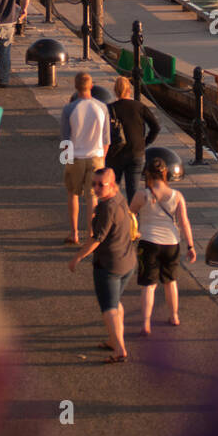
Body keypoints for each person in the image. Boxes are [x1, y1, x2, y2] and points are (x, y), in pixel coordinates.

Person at [69, 167, 135, 364]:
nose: (96, 188)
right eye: (94, 184)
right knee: (116, 303)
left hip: (109, 265)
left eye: (101, 185)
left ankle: (120, 349)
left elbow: (97, 238)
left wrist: (78, 257)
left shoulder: (107, 208)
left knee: (109, 309)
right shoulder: (118, 198)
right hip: (127, 262)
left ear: (112, 184)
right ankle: (114, 339)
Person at [129, 156, 196, 333]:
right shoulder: (177, 196)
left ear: (148, 175)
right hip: (171, 243)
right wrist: (190, 246)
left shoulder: (142, 195)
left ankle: (145, 323)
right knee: (170, 281)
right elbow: (184, 222)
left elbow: (129, 215)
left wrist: (131, 234)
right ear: (165, 173)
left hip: (148, 242)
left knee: (148, 285)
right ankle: (174, 315)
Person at [59, 72, 110, 246]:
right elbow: (106, 139)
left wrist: (65, 159)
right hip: (96, 156)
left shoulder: (69, 109)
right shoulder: (102, 108)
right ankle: (91, 234)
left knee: (73, 194)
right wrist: (102, 157)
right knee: (92, 198)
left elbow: (65, 138)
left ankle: (74, 233)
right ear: (91, 86)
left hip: (75, 156)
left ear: (76, 86)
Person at [107, 76, 161, 206]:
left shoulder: (109, 108)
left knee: (113, 190)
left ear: (115, 91)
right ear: (129, 91)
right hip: (136, 152)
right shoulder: (139, 106)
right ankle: (134, 221)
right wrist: (145, 142)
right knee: (133, 190)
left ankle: (115, 218)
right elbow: (156, 127)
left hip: (115, 154)